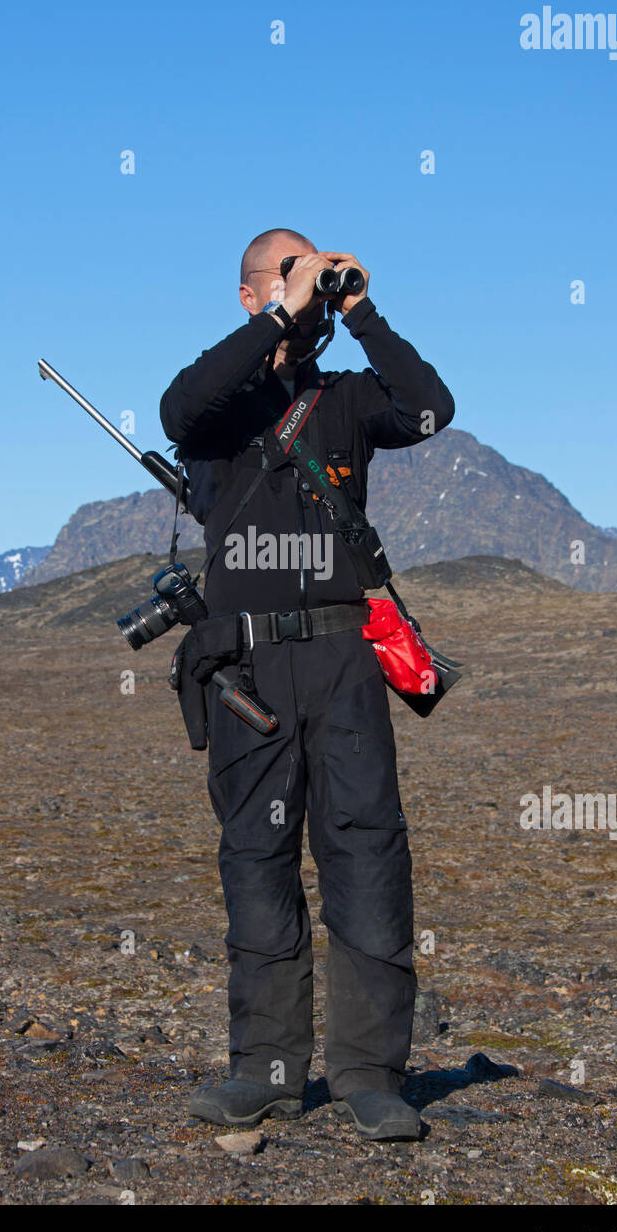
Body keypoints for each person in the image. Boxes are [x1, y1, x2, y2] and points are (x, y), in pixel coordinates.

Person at [159, 228, 455, 1140]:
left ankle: (371, 1074)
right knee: (258, 862)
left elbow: (432, 405)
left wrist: (360, 310)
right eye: (294, 273)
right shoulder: (220, 412)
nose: (313, 287)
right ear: (252, 295)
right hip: (246, 668)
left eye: (319, 273)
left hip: (342, 661)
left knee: (368, 856)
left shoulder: (345, 401)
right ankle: (268, 1070)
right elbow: (179, 409)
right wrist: (283, 310)